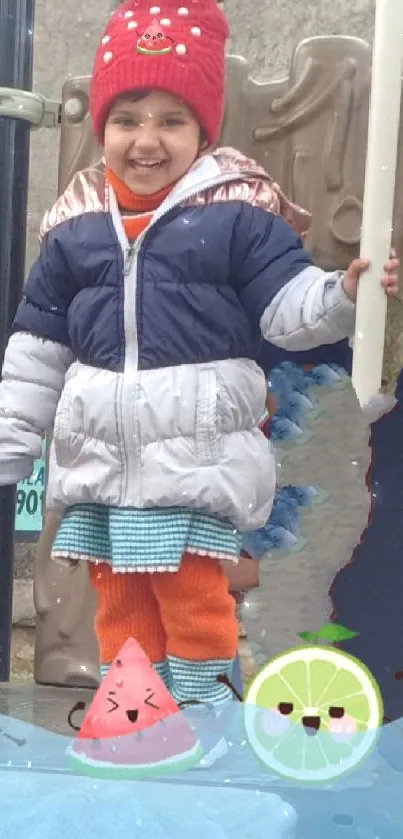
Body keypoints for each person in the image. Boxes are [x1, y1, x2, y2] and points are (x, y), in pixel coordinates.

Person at [0, 0, 399, 765]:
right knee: (118, 597)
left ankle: (207, 707)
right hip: (101, 464)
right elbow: (37, 347)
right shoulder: (75, 225)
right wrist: (13, 440)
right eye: (127, 118)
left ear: (203, 131)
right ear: (102, 128)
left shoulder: (237, 215)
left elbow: (287, 311)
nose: (145, 140)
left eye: (171, 120)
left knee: (190, 593)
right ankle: (142, 717)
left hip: (197, 456)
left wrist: (344, 294)